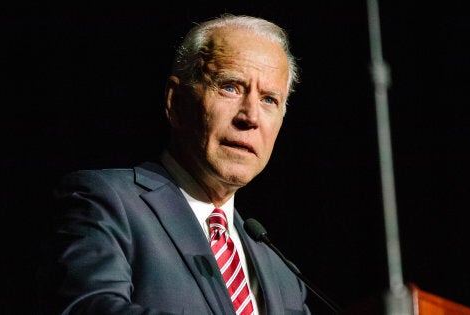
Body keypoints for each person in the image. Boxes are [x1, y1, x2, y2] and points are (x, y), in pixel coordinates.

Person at [37, 13, 310, 315]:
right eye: (230, 87)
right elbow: (89, 308)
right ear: (176, 102)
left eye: (269, 100)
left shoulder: (283, 274)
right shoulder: (106, 201)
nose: (250, 117)